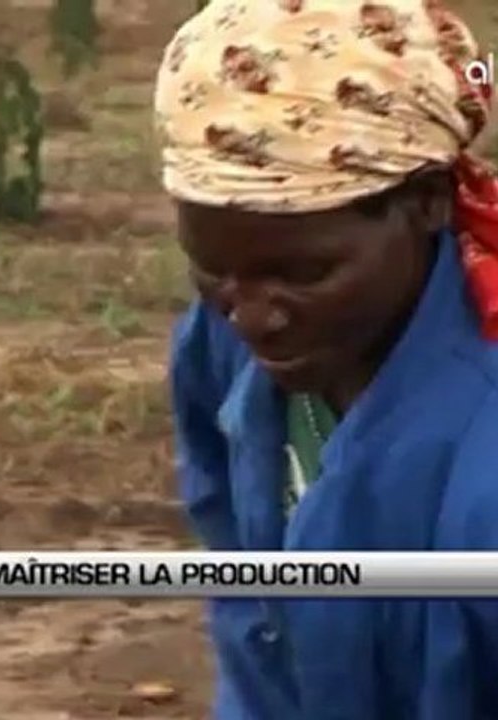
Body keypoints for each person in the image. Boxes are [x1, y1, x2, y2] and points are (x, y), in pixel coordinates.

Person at [155, 1, 498, 717]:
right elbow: (251, 601)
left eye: (304, 274)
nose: (251, 313)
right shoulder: (226, 345)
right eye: (212, 269)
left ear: (429, 203)